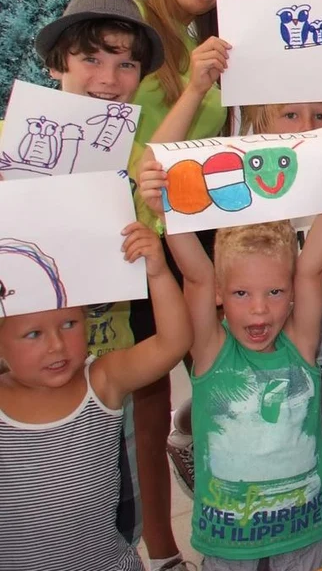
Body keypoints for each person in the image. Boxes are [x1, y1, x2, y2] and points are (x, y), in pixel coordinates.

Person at [69, 0, 257, 571]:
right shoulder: (120, 22)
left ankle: (191, 481)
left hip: (192, 238)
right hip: (109, 239)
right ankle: (155, 546)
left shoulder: (223, 50)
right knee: (133, 399)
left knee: (201, 379)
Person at [138, 143, 322, 570]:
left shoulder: (300, 346)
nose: (259, 309)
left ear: (292, 294)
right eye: (241, 293)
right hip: (228, 549)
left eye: (275, 292)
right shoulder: (210, 352)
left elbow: (311, 267)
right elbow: (196, 274)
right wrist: (167, 208)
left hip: (304, 539)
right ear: (221, 295)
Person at [0, 223, 187, 571]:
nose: (57, 345)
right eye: (34, 334)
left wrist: (158, 273)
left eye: (70, 324)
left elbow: (173, 343)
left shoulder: (101, 380)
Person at [10, 0, 164, 353]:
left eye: (126, 64)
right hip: (16, 358)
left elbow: (140, 256)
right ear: (56, 63)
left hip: (108, 354)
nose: (109, 79)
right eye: (91, 60)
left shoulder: (142, 164)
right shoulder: (8, 140)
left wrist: (154, 231)